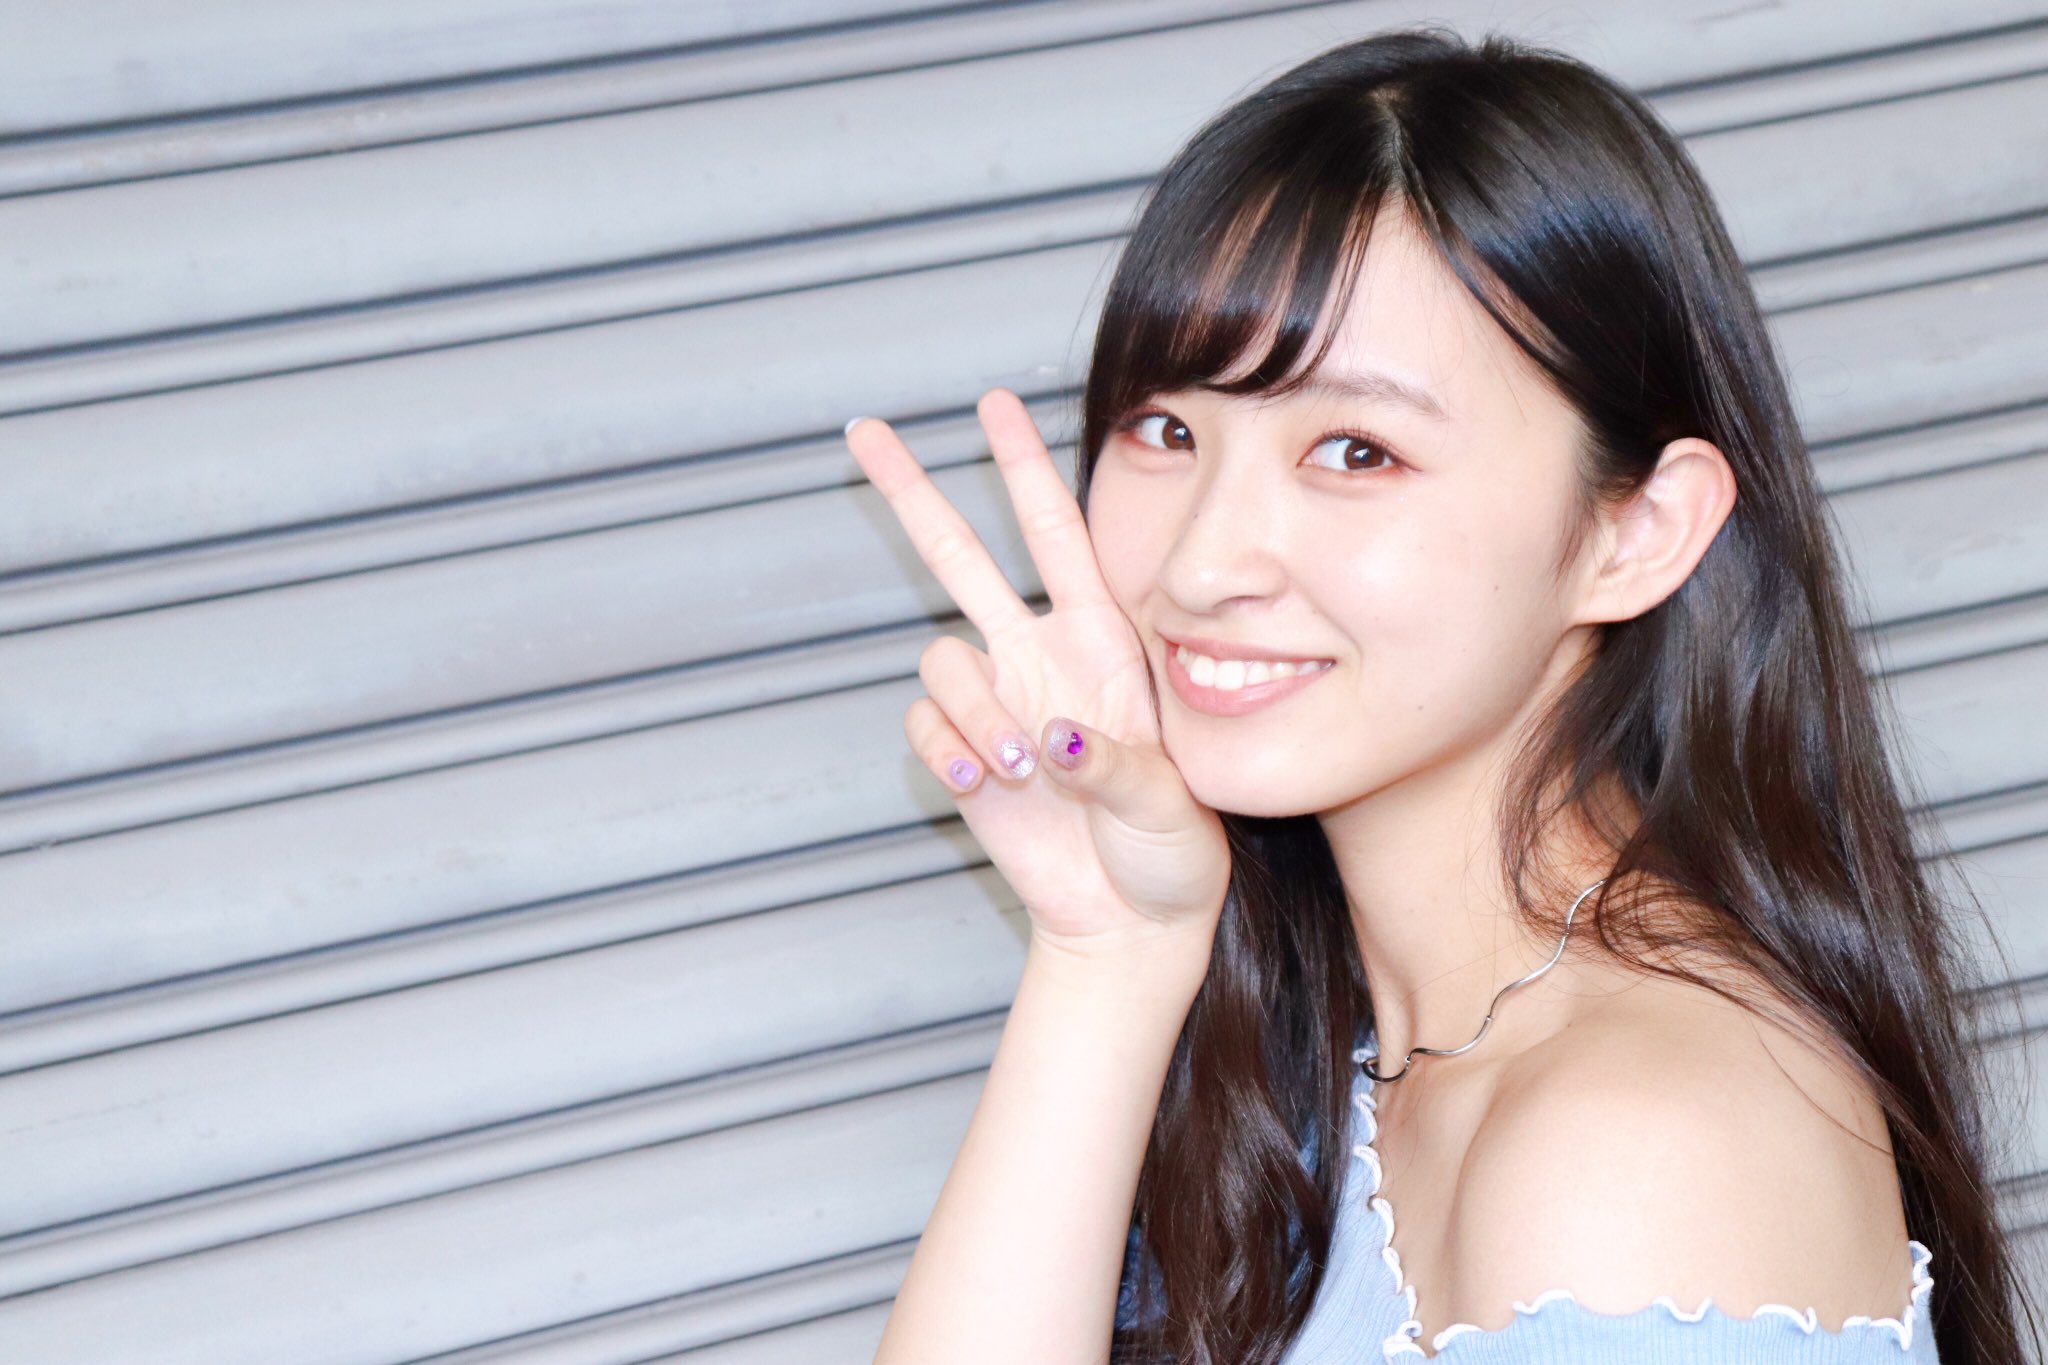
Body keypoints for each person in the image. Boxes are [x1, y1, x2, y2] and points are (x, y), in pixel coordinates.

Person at [844, 26, 2038, 1365]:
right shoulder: (1328, 1035)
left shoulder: (1639, 1149)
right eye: (1169, 430)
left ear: (1637, 532)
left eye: (1356, 451)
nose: (1202, 562)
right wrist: (1105, 952)